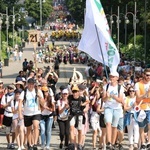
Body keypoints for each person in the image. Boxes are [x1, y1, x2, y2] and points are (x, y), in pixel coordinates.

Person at [18, 78, 44, 150]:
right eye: (30, 84)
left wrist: (40, 97)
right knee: (29, 129)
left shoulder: (38, 91)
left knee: (36, 126)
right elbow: (20, 103)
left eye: (32, 84)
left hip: (36, 112)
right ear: (27, 84)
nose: (31, 86)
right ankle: (30, 144)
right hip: (27, 113)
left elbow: (43, 103)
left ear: (34, 84)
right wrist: (20, 113)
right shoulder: (24, 92)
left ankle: (35, 143)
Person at [102, 71, 124, 149]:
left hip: (117, 108)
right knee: (108, 123)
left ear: (117, 78)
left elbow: (120, 100)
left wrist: (114, 97)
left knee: (114, 127)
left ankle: (113, 143)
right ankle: (108, 142)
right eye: (111, 76)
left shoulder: (120, 87)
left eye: (113, 76)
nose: (111, 78)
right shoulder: (106, 86)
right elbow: (103, 100)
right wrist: (107, 97)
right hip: (108, 107)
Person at [68, 85, 89, 150]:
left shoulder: (81, 98)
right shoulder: (70, 97)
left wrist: (82, 104)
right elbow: (67, 99)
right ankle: (72, 143)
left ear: (78, 92)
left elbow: (88, 101)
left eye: (76, 91)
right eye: (73, 92)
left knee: (80, 130)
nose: (74, 93)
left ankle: (79, 144)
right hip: (72, 115)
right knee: (71, 128)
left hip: (79, 115)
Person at [135, 68, 150, 149]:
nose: (149, 77)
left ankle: (149, 142)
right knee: (141, 127)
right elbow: (138, 98)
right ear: (144, 75)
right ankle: (143, 143)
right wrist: (146, 93)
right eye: (147, 75)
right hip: (141, 108)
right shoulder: (138, 84)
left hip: (149, 107)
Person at [1, 84, 16, 149]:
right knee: (7, 130)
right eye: (8, 88)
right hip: (7, 114)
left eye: (11, 88)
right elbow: (3, 106)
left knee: (14, 130)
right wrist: (8, 103)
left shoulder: (15, 96)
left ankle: (12, 143)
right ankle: (8, 143)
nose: (9, 90)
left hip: (14, 115)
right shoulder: (5, 96)